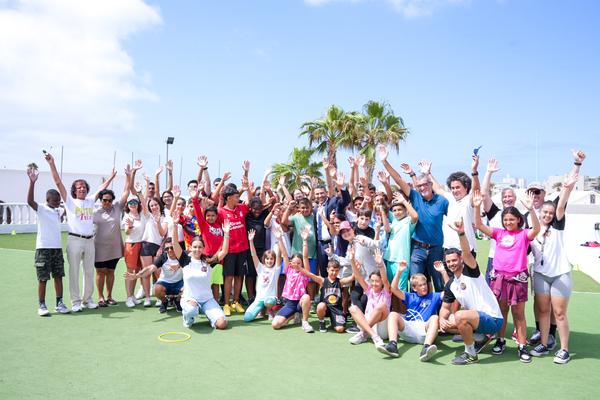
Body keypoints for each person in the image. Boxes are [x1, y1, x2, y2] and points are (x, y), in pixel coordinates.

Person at [473, 191, 540, 362]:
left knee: (519, 314)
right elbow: (479, 225)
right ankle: (500, 340)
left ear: (518, 220)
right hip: (499, 279)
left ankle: (522, 346)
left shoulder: (524, 234)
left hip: (518, 280)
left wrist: (531, 209)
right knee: (502, 311)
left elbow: (537, 229)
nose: (508, 222)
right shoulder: (499, 233)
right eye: (505, 220)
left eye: (511, 219)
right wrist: (478, 206)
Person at [46, 153, 114, 312]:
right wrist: (51, 164)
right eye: (79, 187)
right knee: (74, 273)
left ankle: (87, 300)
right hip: (75, 240)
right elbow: (58, 182)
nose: (82, 189)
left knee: (89, 272)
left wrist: (111, 177)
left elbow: (101, 189)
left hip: (90, 241)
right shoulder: (70, 201)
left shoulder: (90, 201)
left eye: (84, 187)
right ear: (74, 191)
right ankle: (75, 302)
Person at [379, 146, 449, 291]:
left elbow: (454, 216)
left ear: (431, 184)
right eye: (419, 185)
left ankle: (440, 307)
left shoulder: (442, 201)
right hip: (418, 249)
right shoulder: (415, 196)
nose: (422, 188)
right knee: (415, 284)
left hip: (436, 250)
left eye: (425, 184)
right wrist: (385, 162)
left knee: (438, 285)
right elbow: (398, 179)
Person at [529, 173, 580, 364]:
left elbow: (561, 204)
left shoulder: (557, 225)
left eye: (551, 213)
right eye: (545, 212)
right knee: (543, 312)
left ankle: (564, 349)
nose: (548, 215)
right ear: (540, 212)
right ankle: (544, 344)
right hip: (541, 275)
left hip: (560, 275)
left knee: (559, 313)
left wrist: (566, 187)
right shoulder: (532, 230)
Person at [439, 219, 504, 365]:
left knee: (460, 316)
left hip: (493, 320)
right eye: (448, 262)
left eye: (454, 260)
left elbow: (467, 252)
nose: (451, 264)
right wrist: (441, 319)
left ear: (461, 260)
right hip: (477, 319)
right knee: (447, 322)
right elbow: (445, 307)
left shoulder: (470, 271)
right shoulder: (451, 284)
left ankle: (470, 353)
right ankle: (480, 338)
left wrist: (461, 233)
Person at [169, 210, 230, 329]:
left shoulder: (208, 261)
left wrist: (226, 234)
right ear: (191, 248)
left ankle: (210, 315)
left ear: (203, 248)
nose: (197, 249)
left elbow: (224, 251)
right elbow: (175, 243)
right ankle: (188, 318)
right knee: (191, 310)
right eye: (195, 247)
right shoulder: (185, 259)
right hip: (190, 299)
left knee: (222, 324)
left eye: (200, 247)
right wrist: (175, 224)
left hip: (207, 299)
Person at [378, 260, 448, 361]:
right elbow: (393, 289)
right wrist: (399, 271)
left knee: (435, 317)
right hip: (409, 329)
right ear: (414, 288)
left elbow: (449, 291)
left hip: (424, 331)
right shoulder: (410, 296)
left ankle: (426, 348)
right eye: (420, 285)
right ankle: (393, 346)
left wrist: (443, 272)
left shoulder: (434, 296)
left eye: (424, 284)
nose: (424, 287)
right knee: (393, 314)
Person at [27, 166, 71, 316]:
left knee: (58, 277)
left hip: (57, 249)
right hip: (43, 249)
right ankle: (42, 305)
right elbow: (30, 201)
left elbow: (71, 209)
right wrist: (32, 183)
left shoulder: (59, 210)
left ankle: (59, 304)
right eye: (55, 200)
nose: (58, 202)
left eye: (59, 200)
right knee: (43, 279)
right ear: (47, 200)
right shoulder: (41, 209)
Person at [92, 165, 131, 307]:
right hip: (99, 247)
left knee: (110, 271)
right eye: (105, 200)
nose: (107, 202)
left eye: (110, 200)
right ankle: (100, 296)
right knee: (100, 271)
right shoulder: (94, 213)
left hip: (114, 247)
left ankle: (109, 296)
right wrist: (110, 178)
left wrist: (128, 175)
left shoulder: (117, 208)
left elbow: (127, 191)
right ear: (100, 200)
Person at [296, 243, 355, 333]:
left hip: (337, 309)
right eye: (332, 270)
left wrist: (354, 265)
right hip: (326, 308)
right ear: (327, 269)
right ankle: (322, 322)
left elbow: (352, 277)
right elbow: (310, 274)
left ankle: (333, 320)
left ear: (339, 270)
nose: (334, 273)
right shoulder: (323, 281)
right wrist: (299, 269)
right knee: (320, 306)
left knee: (340, 329)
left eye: (336, 271)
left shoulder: (341, 281)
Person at [347, 246, 392, 348]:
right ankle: (372, 336)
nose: (374, 283)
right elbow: (358, 276)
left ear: (381, 282)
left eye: (377, 281)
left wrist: (380, 265)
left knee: (381, 305)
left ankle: (363, 333)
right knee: (353, 308)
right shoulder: (369, 290)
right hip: (370, 328)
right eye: (372, 281)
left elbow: (385, 280)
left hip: (382, 329)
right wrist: (351, 260)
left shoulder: (386, 292)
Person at [124, 237, 183, 313]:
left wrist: (178, 264)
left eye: (172, 247)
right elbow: (150, 268)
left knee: (188, 288)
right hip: (165, 283)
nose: (170, 250)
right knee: (156, 289)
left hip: (179, 283)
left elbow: (192, 255)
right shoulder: (163, 257)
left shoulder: (183, 255)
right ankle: (164, 302)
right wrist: (137, 276)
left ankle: (177, 301)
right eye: (167, 248)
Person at [382, 192, 418, 312]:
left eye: (400, 210)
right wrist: (381, 203)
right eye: (395, 210)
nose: (397, 212)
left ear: (405, 210)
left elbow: (415, 216)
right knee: (391, 289)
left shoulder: (408, 221)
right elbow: (386, 211)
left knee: (400, 290)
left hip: (402, 262)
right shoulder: (394, 220)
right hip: (390, 259)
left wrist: (404, 202)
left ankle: (402, 314)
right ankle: (394, 313)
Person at [271, 227, 312, 333]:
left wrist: (304, 240)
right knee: (275, 324)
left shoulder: (305, 272)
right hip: (290, 303)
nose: (296, 264)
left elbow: (305, 256)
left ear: (302, 264)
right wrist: (280, 239)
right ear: (291, 263)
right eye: (294, 262)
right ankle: (293, 315)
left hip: (301, 302)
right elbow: (284, 254)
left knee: (306, 297)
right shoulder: (289, 270)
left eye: (299, 263)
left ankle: (305, 322)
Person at [219, 183, 250, 316]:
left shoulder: (242, 207)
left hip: (243, 249)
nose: (239, 199)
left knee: (239, 276)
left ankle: (236, 302)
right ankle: (226, 304)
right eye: (237, 197)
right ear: (229, 198)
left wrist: (247, 189)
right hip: (229, 250)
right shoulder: (220, 212)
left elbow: (251, 203)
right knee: (229, 277)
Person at [123, 164, 150, 308]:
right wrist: (130, 227)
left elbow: (144, 200)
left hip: (142, 244)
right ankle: (128, 297)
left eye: (135, 202)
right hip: (131, 245)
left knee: (138, 271)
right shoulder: (127, 216)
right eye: (130, 203)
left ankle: (132, 295)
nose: (133, 204)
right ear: (127, 205)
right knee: (130, 271)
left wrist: (146, 184)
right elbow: (127, 232)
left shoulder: (142, 215)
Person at [139, 193, 168, 307]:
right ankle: (147, 298)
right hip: (146, 246)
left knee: (158, 272)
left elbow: (163, 234)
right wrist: (140, 192)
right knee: (146, 273)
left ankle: (159, 297)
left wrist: (158, 222)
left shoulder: (165, 218)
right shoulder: (147, 216)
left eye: (156, 204)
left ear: (159, 205)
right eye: (151, 205)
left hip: (158, 247)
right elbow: (143, 203)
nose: (154, 207)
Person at [244, 229, 280, 322]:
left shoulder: (276, 269)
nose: (269, 261)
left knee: (269, 302)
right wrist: (251, 241)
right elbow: (253, 255)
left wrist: (279, 239)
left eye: (271, 259)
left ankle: (270, 310)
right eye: (267, 259)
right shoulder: (260, 268)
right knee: (247, 318)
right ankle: (263, 308)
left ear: (274, 260)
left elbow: (279, 255)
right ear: (264, 259)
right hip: (260, 299)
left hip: (271, 298)